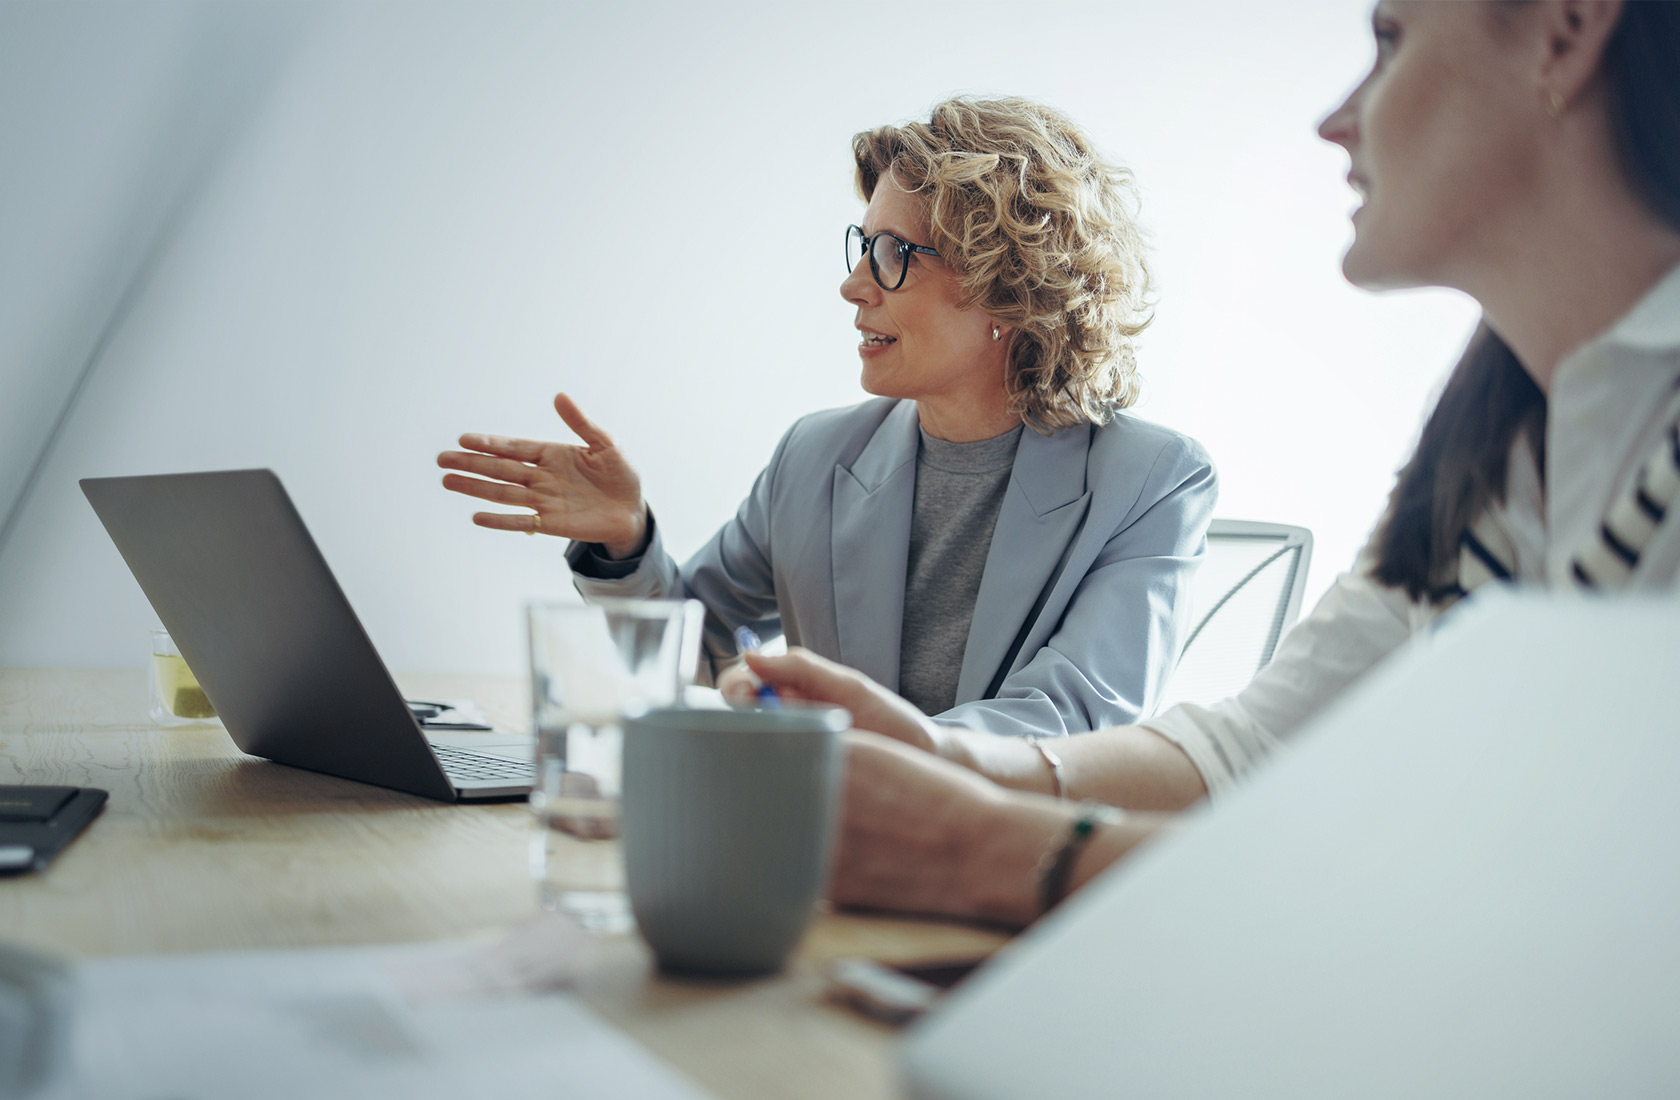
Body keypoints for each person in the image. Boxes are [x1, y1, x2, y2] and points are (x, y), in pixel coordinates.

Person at [742, 0, 1680, 928]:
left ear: (1566, 31)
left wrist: (974, 846)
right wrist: (951, 764)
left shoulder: (1154, 473)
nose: (1334, 119)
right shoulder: (1496, 449)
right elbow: (1252, 743)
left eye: (1390, 40)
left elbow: (1551, 892)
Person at [439, 97, 1216, 737]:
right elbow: (690, 648)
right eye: (861, 246)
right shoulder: (814, 456)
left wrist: (843, 735)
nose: (854, 287)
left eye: (892, 254)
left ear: (1006, 287)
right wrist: (624, 541)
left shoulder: (1149, 481)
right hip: (824, 853)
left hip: (1008, 870)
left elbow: (1074, 719)